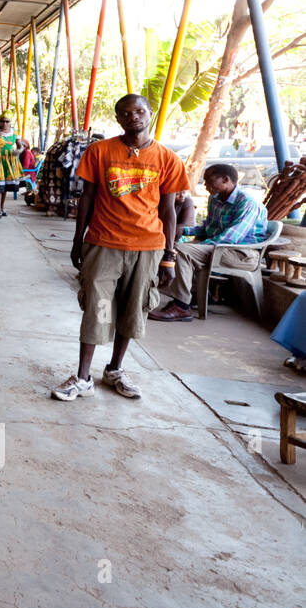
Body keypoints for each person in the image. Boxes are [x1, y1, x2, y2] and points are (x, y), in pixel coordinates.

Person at [51, 94, 189, 402]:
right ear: (118, 119)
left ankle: (114, 369)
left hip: (148, 246)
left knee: (133, 308)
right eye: (126, 113)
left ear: (150, 114)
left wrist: (169, 255)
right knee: (96, 307)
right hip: (103, 243)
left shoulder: (168, 159)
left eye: (140, 110)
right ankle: (83, 376)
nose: (133, 116)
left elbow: (169, 211)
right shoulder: (99, 151)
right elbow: (86, 197)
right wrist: (78, 240)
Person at [149, 163, 268, 322]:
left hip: (242, 253)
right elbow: (209, 228)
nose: (205, 186)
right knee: (178, 247)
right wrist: (184, 231)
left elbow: (231, 237)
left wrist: (197, 246)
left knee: (182, 251)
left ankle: (181, 306)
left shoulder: (246, 202)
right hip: (219, 247)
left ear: (226, 180)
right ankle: (198, 296)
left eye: (209, 181)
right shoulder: (215, 199)